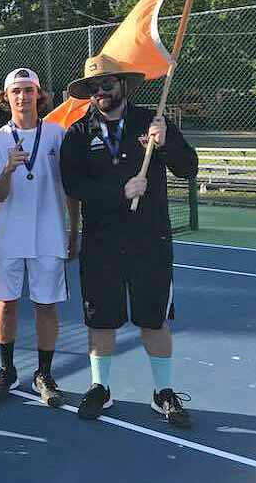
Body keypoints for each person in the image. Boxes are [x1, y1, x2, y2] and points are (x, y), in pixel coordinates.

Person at [60, 54, 198, 427]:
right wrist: (120, 191)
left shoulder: (153, 122)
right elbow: (74, 185)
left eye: (106, 84)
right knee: (101, 318)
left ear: (123, 84)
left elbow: (189, 168)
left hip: (149, 239)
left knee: (154, 319)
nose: (100, 91)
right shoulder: (77, 133)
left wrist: (166, 143)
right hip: (103, 242)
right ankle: (99, 387)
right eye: (93, 87)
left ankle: (163, 392)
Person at [0, 68, 78, 407]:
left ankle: (44, 373)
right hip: (8, 237)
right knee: (6, 303)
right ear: (6, 97)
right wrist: (9, 167)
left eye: (28, 90)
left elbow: (71, 189)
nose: (22, 97)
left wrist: (74, 230)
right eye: (16, 92)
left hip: (49, 235)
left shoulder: (58, 135)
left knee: (46, 304)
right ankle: (7, 369)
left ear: (39, 95)